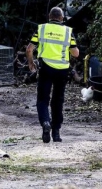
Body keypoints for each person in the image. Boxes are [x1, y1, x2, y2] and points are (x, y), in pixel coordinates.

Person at [26, 7, 79, 143]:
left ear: (49, 17)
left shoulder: (41, 29)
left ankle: (45, 123)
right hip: (62, 70)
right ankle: (56, 133)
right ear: (61, 18)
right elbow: (76, 53)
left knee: (43, 100)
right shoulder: (68, 31)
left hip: (46, 69)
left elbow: (29, 49)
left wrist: (31, 63)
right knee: (58, 101)